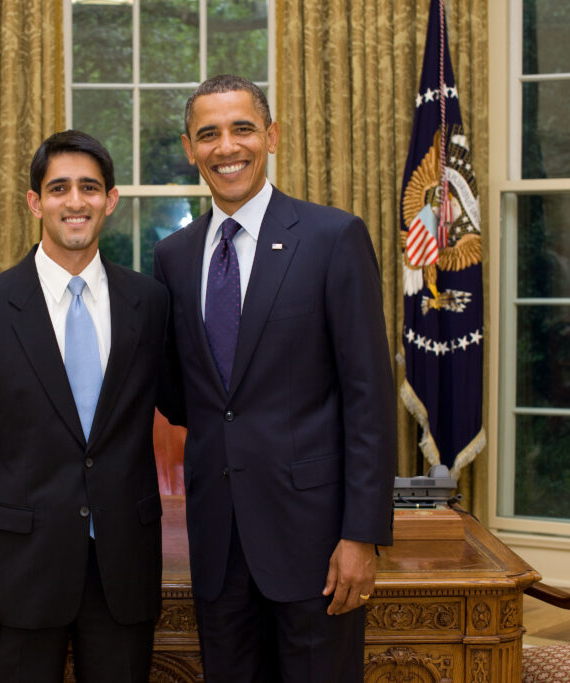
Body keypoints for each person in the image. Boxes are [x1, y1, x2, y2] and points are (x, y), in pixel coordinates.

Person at [152, 74, 397, 682]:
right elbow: (184, 394)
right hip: (218, 543)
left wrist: (361, 536)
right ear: (189, 149)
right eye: (208, 134)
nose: (226, 147)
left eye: (242, 128)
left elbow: (368, 397)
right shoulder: (174, 257)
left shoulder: (332, 237)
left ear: (272, 136)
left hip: (315, 542)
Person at [0, 130, 170, 682]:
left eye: (89, 188)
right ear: (35, 202)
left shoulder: (150, 302)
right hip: (21, 571)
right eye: (59, 188)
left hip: (124, 567)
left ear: (110, 200)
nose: (75, 201)